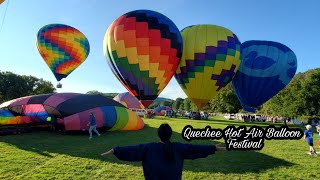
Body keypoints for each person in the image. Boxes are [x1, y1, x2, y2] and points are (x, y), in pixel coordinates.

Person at [101, 123, 226, 180]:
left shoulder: (149, 148)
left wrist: (115, 150)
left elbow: (132, 150)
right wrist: (213, 148)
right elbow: (195, 149)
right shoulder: (179, 147)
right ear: (170, 135)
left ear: (158, 135)